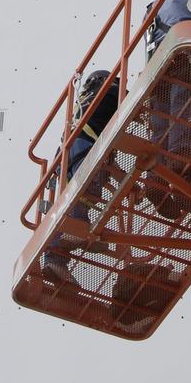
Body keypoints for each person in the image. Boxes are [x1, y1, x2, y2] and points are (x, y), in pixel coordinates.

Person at [42, 69, 119, 287]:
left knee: (70, 202)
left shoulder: (82, 105)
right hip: (85, 147)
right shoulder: (109, 93)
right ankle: (74, 232)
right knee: (86, 193)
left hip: (68, 155)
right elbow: (130, 103)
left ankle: (54, 260)